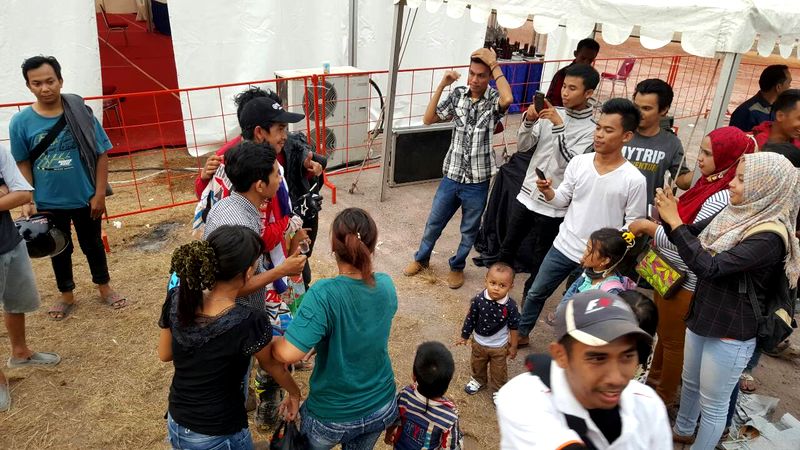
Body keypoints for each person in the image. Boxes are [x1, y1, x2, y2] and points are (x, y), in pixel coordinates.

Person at [656, 151, 800, 448]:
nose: (731, 184)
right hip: (704, 314)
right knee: (690, 383)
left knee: (713, 405)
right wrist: (669, 215)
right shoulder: (734, 212)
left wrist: (675, 221)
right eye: (735, 176)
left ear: (765, 186)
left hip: (732, 330)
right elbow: (686, 236)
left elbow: (710, 267)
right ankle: (683, 430)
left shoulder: (769, 236)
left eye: (742, 179)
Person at [628, 126, 755, 408]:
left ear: (729, 158)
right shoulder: (707, 184)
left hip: (685, 282)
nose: (700, 158)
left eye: (708, 153)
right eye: (701, 150)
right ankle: (652, 385)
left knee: (674, 344)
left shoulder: (721, 196)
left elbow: (690, 243)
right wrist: (668, 211)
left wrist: (650, 227)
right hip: (668, 273)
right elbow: (681, 225)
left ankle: (661, 400)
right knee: (664, 337)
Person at [515, 98, 647, 347]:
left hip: (597, 259)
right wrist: (548, 192)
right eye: (598, 127)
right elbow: (562, 199)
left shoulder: (634, 179)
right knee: (535, 292)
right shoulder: (579, 163)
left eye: (608, 130)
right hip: (563, 245)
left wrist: (607, 249)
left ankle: (568, 349)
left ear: (627, 136)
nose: (599, 134)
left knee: (574, 309)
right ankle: (521, 334)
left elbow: (634, 224)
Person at [159, 225, 301, 450]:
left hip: (178, 423)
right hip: (217, 433)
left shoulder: (178, 298)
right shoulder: (248, 321)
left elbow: (165, 353)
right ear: (248, 272)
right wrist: (294, 393)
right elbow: (273, 365)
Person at [9, 55, 126, 320]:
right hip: (48, 201)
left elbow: (101, 154)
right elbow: (23, 162)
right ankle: (66, 294)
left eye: (50, 81)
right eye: (37, 83)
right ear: (28, 86)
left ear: (60, 81)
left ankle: (104, 287)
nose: (45, 88)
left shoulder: (81, 113)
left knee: (92, 244)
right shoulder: (21, 122)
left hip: (85, 197)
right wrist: (28, 198)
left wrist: (99, 194)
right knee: (58, 248)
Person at [272, 208, 399, 450]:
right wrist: (320, 341)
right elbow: (363, 329)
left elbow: (288, 354)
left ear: (333, 246)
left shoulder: (324, 293)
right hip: (381, 405)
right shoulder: (386, 285)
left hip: (332, 415)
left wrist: (268, 341)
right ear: (372, 245)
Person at [496, 290, 671, 449]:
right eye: (598, 358)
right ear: (560, 355)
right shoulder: (523, 398)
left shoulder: (648, 404)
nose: (616, 378)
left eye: (627, 356)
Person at [194, 87, 326, 288]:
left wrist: (305, 168)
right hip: (264, 266)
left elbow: (298, 159)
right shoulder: (229, 162)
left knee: (301, 275)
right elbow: (260, 239)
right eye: (280, 128)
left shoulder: (278, 147)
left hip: (282, 243)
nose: (285, 135)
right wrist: (296, 217)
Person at [404, 47, 513, 289]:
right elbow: (428, 119)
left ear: (489, 77)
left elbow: (508, 100)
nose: (474, 80)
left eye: (481, 75)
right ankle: (421, 259)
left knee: (469, 230)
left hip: (477, 180)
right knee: (434, 223)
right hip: (451, 175)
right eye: (472, 73)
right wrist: (442, 85)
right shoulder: (458, 95)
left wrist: (495, 65)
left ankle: (457, 266)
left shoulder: (494, 99)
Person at [499, 64, 599, 298]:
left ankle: (528, 302)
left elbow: (570, 165)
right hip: (527, 193)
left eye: (572, 88)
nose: (565, 93)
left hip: (554, 204)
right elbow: (523, 146)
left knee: (540, 258)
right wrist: (528, 121)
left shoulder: (592, 130)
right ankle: (495, 294)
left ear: (588, 93)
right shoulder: (552, 113)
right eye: (564, 86)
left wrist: (558, 126)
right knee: (507, 247)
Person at [202, 140, 306, 311]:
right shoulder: (241, 227)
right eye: (276, 175)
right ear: (260, 186)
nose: (280, 179)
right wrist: (282, 270)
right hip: (237, 313)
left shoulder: (227, 204)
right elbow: (231, 289)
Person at [0, 145, 62, 412]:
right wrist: (4, 193)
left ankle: (20, 353)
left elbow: (23, 193)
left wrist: (10, 193)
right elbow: (12, 194)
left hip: (9, 242)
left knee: (17, 301)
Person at [547, 229, 638, 324]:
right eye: (587, 247)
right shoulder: (590, 272)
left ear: (605, 260)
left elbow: (599, 320)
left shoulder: (611, 291)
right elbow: (572, 291)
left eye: (589, 250)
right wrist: (560, 312)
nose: (585, 252)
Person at [384, 341, 463, 450]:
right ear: (447, 382)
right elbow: (450, 447)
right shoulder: (449, 417)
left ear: (414, 376)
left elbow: (393, 419)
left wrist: (388, 435)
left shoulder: (405, 395)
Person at [456, 262, 520, 395]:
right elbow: (471, 318)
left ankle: (499, 390)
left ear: (511, 286)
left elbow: (514, 327)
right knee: (477, 364)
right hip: (479, 343)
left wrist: (514, 346)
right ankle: (478, 380)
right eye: (493, 283)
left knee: (499, 370)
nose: (496, 288)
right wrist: (464, 336)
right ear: (486, 281)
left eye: (502, 285)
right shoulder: (479, 300)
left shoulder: (511, 306)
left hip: (499, 347)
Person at [625, 78, 692, 203]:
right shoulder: (619, 132)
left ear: (663, 110)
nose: (638, 113)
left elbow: (681, 181)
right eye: (636, 107)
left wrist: (702, 169)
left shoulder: (672, 143)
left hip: (643, 213)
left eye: (646, 108)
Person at [729, 64, 792, 132]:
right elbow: (734, 137)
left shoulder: (781, 109)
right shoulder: (745, 112)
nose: (790, 86)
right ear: (778, 87)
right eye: (789, 83)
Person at [545, 38, 600, 107]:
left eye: (590, 60)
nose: (586, 63)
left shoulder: (591, 77)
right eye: (583, 58)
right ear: (575, 54)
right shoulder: (562, 74)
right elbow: (551, 100)